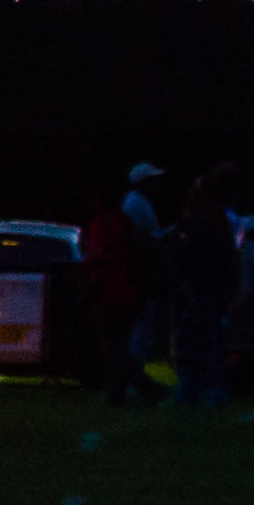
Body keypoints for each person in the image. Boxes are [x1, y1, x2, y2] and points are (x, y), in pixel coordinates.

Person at [87, 169, 165, 404]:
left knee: (113, 347)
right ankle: (121, 391)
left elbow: (99, 259)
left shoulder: (101, 224)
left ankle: (142, 387)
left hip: (110, 293)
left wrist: (92, 288)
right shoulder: (126, 221)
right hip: (130, 292)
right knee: (119, 345)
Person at [168, 176, 241, 411]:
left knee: (200, 343)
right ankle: (199, 389)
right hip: (206, 291)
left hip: (205, 292)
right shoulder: (213, 221)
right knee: (203, 342)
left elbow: (197, 255)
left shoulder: (210, 222)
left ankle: (202, 390)